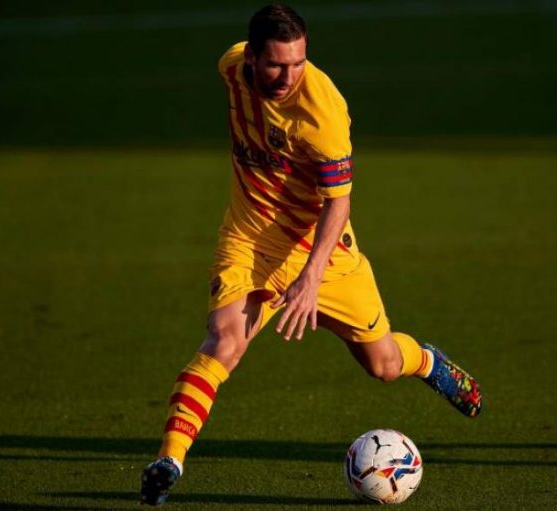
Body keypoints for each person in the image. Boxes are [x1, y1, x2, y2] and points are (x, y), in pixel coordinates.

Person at [140, 4, 482, 506]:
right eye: (277, 64)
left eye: (298, 63)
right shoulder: (231, 67)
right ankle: (170, 460)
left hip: (322, 248)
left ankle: (429, 362)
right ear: (252, 56)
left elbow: (337, 203)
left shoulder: (321, 114)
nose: (289, 76)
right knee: (224, 340)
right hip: (251, 241)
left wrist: (309, 276)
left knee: (383, 364)